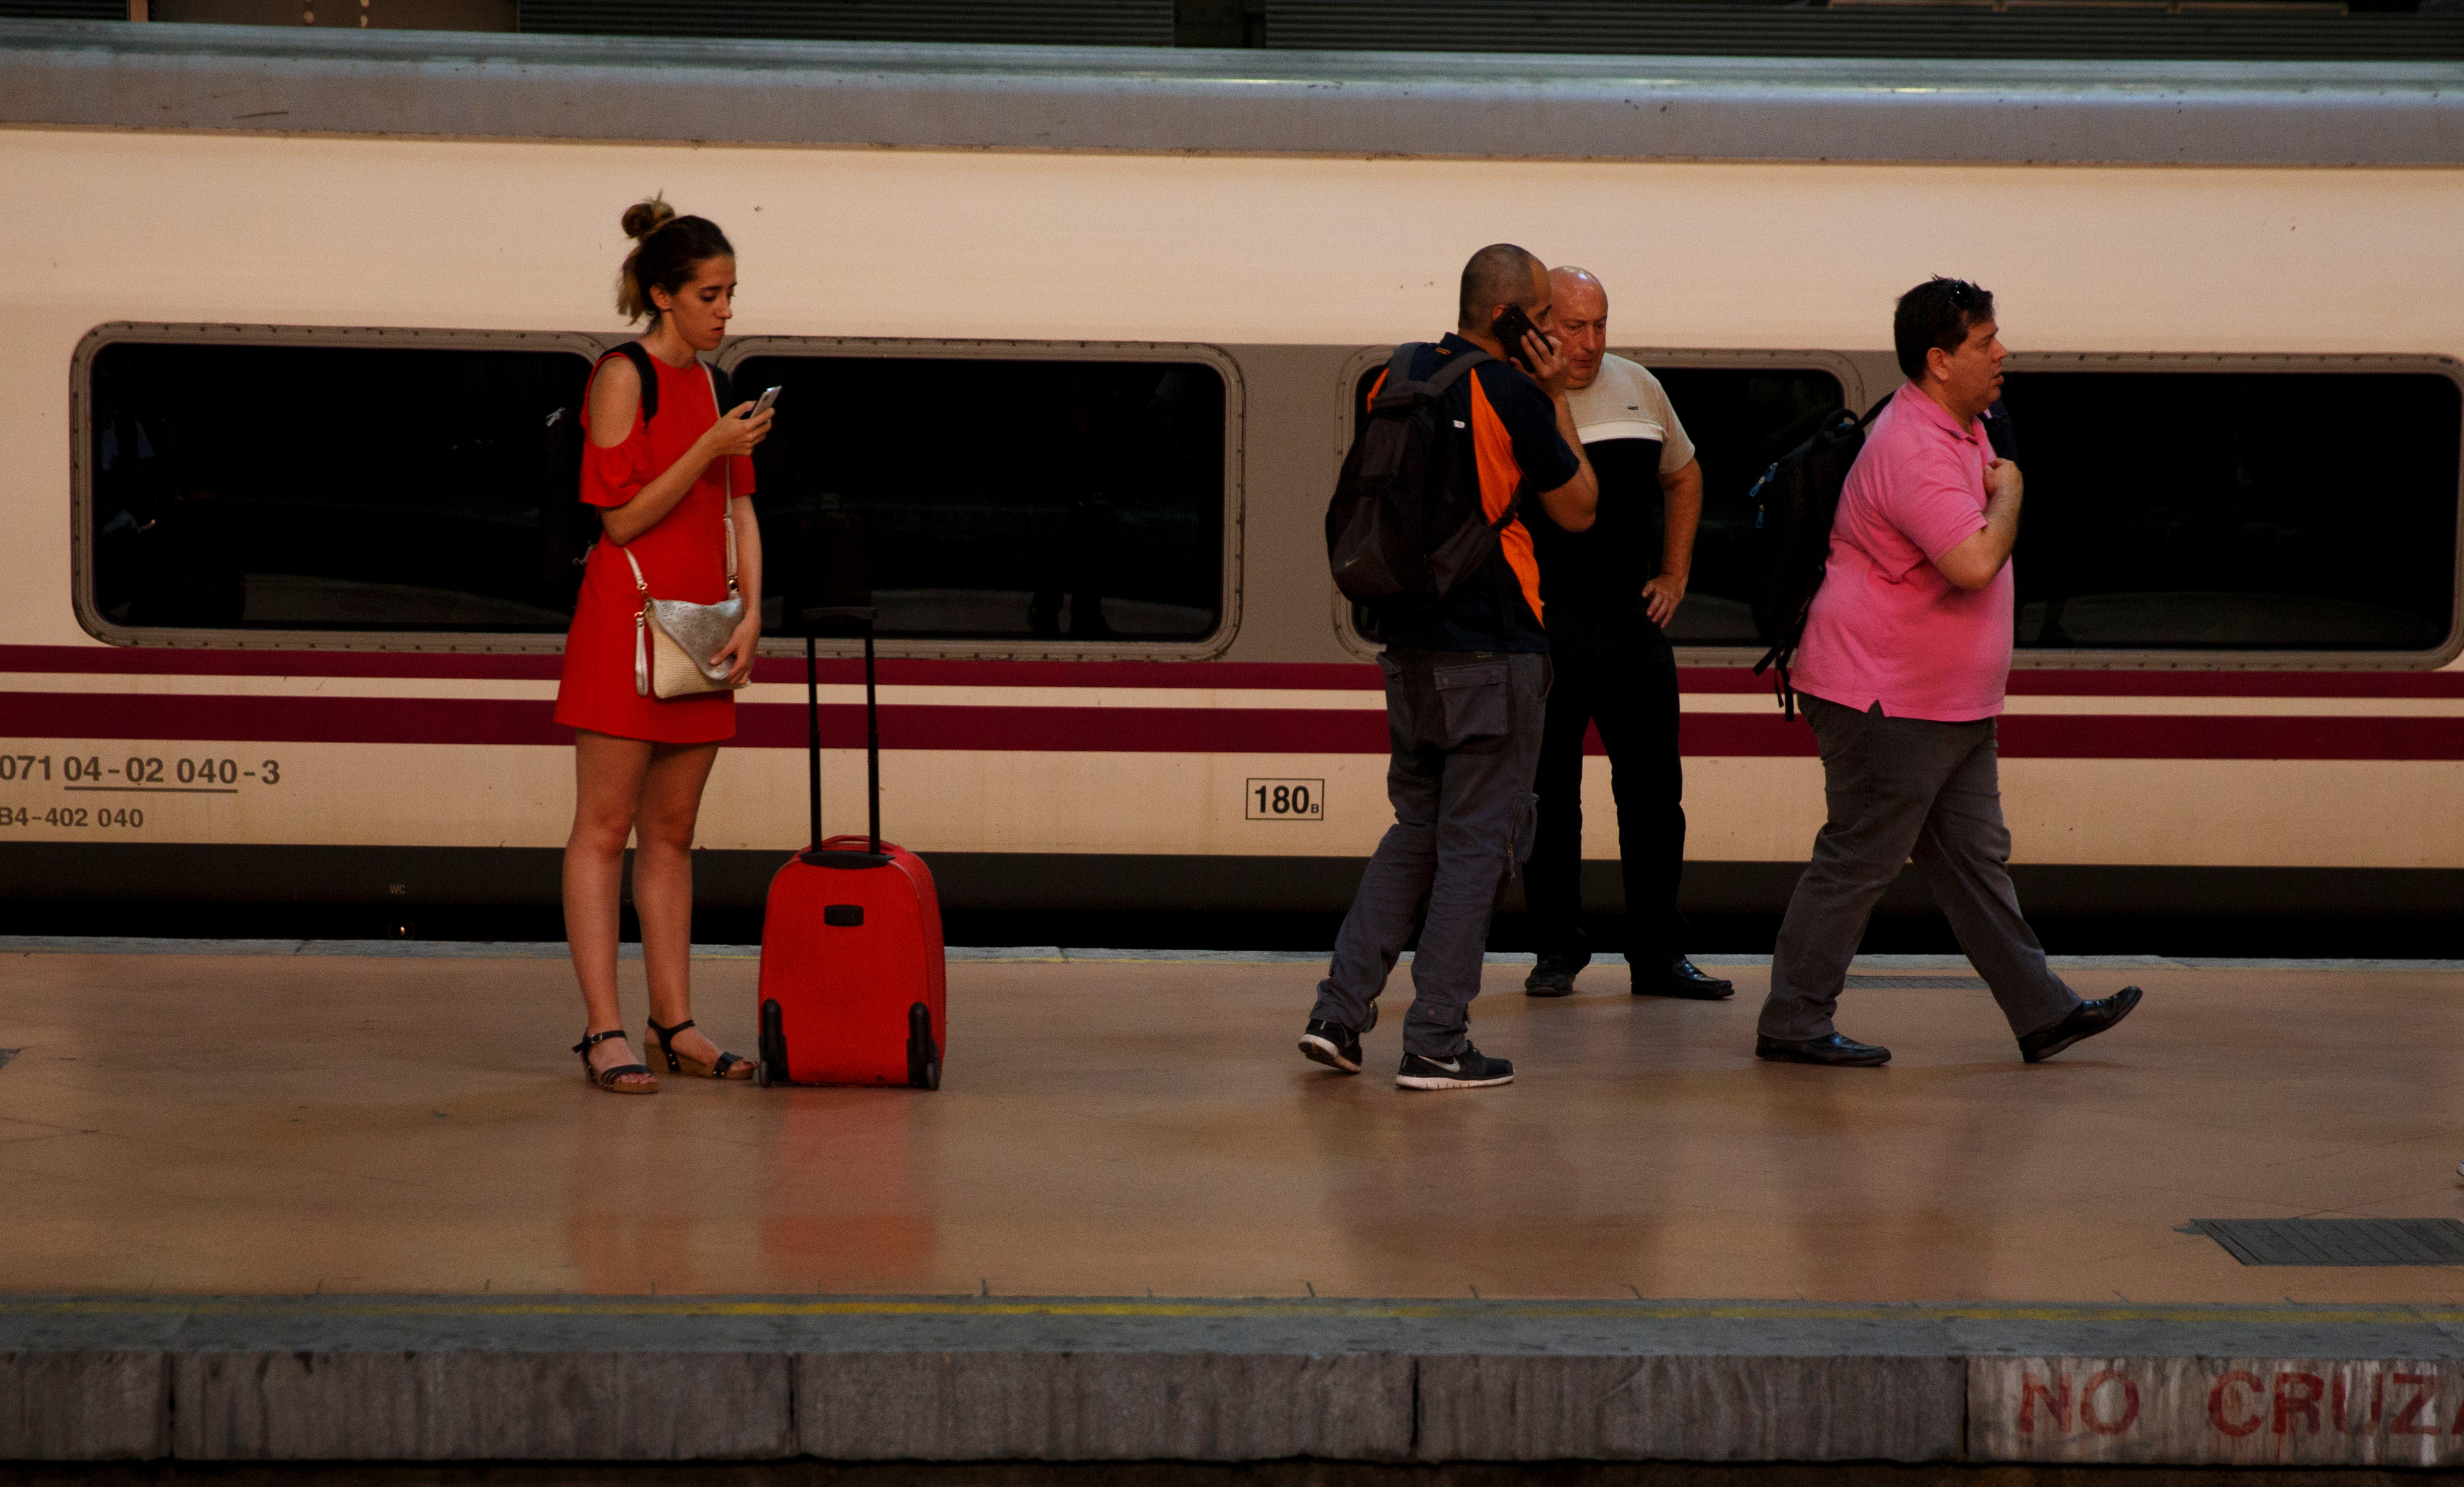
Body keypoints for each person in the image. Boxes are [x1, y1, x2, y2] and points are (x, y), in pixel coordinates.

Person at [1754, 277, 2140, 1068]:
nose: (2002, 353)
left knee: (1972, 862)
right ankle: (1793, 1020)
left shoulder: (1966, 426)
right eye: (1983, 341)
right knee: (1857, 861)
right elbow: (1971, 561)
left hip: (1946, 702)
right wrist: (2014, 495)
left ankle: (2042, 1012)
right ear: (1938, 360)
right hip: (1886, 699)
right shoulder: (1914, 448)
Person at [1300, 244, 1599, 1091]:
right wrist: (1552, 396)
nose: (1553, 333)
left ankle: (1337, 1014)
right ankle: (1436, 1037)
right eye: (1544, 317)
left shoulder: (1389, 379)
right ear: (1513, 318)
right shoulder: (1509, 392)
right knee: (1475, 848)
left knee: (1416, 833)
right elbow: (1579, 506)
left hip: (1409, 650)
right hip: (1495, 654)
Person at [553, 197, 772, 1093]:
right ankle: (604, 1029)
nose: (727, 310)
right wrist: (709, 445)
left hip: (698, 628)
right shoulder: (624, 376)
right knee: (605, 830)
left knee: (673, 833)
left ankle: (672, 1023)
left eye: (731, 293)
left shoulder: (715, 386)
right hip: (625, 626)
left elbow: (740, 508)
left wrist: (754, 610)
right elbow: (618, 521)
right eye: (711, 295)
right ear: (663, 295)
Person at [1520, 267, 1732, 1004]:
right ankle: (1556, 950)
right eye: (1572, 326)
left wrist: (1673, 573)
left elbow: (1685, 475)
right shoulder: (1515, 393)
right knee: (1550, 796)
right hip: (1547, 623)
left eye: (1599, 324)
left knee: (1652, 793)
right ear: (1538, 322)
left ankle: (1658, 955)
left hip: (1633, 620)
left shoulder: (1639, 385)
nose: (1588, 342)